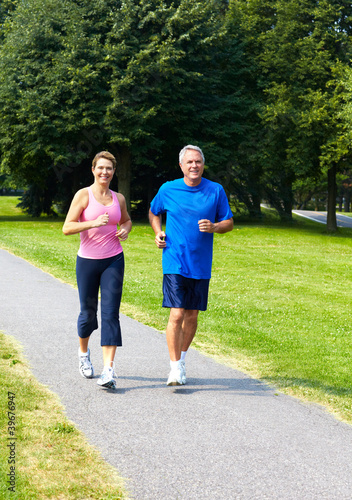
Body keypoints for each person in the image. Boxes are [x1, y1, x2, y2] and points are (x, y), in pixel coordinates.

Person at [149, 145, 233, 386]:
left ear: (203, 164)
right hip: (174, 259)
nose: (194, 166)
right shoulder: (168, 188)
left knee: (192, 314)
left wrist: (215, 227)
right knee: (177, 313)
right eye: (189, 162)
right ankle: (174, 368)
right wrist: (158, 232)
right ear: (181, 166)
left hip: (201, 262)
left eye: (198, 161)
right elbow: (154, 212)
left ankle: (182, 359)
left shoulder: (215, 190)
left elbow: (228, 222)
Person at [63, 151, 132, 389]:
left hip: (113, 260)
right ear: (93, 169)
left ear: (114, 172)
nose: (105, 172)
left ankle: (108, 371)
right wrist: (93, 223)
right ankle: (83, 354)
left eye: (109, 169)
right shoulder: (83, 195)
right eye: (101, 168)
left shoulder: (118, 198)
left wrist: (125, 229)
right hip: (88, 262)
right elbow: (67, 227)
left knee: (111, 313)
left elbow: (126, 220)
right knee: (88, 314)